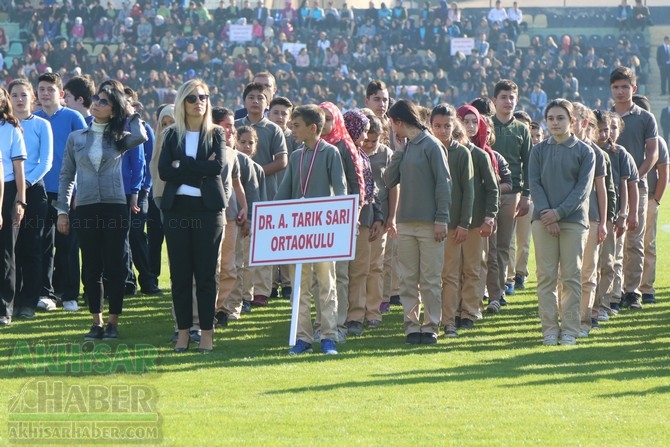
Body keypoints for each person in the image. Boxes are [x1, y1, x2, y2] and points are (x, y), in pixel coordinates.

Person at [56, 85, 148, 340]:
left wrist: (131, 111)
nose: (96, 103)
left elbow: (141, 136)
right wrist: (63, 210)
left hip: (115, 206)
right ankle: (96, 322)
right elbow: (66, 175)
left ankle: (113, 322)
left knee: (115, 265)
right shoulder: (77, 138)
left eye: (104, 102)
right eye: (96, 99)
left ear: (113, 110)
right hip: (85, 206)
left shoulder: (119, 136)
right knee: (91, 265)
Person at [159, 79, 227, 353]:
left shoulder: (217, 133)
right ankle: (184, 333)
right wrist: (199, 167)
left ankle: (207, 334)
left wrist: (183, 164)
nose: (199, 102)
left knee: (207, 275)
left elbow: (217, 168)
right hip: (177, 209)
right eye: (192, 98)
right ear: (182, 102)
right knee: (180, 275)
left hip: (207, 211)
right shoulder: (171, 134)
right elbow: (165, 171)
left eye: (204, 97)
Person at [275, 104, 346, 355]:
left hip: (323, 231)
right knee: (300, 287)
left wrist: (343, 221)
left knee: (326, 285)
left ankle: (328, 336)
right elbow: (284, 192)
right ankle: (302, 338)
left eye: (296, 126)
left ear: (312, 128)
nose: (291, 130)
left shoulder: (330, 153)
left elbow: (340, 190)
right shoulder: (296, 156)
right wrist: (268, 217)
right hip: (299, 233)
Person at [384, 99, 451, 345]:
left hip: (430, 223)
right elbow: (389, 180)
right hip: (405, 223)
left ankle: (431, 325)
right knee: (408, 279)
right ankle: (412, 326)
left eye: (392, 124)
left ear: (399, 121)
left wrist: (441, 219)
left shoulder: (432, 145)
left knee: (431, 279)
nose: (392, 129)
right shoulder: (407, 146)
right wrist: (398, 151)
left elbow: (444, 185)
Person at [529, 99, 595, 346]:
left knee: (571, 277)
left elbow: (582, 190)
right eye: (551, 118)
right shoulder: (537, 151)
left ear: (572, 121)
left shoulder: (585, 152)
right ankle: (549, 330)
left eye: (560, 118)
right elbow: (534, 183)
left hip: (574, 221)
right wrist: (547, 213)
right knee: (545, 277)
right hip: (542, 221)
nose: (555, 123)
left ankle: (569, 329)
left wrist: (558, 213)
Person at [35, 72, 87, 313]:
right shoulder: (33, 119)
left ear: (61, 94)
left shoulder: (74, 117)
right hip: (39, 192)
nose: (45, 93)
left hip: (68, 192)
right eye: (42, 89)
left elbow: (86, 157)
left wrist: (78, 190)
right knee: (43, 244)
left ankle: (69, 295)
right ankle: (46, 294)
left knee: (68, 245)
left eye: (50, 89)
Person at [235, 81, 288, 306]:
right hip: (239, 195)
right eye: (251, 97)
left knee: (263, 246)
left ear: (266, 103)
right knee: (241, 247)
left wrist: (254, 173)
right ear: (244, 101)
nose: (256, 101)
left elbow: (282, 161)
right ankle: (240, 291)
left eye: (260, 98)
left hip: (268, 194)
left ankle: (262, 292)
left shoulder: (273, 129)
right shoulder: (236, 127)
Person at [610, 66, 658, 310]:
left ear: (634, 89)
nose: (620, 91)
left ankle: (633, 291)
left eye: (625, 87)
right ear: (611, 89)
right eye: (616, 87)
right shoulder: (605, 117)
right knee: (612, 242)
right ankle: (613, 292)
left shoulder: (645, 118)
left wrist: (634, 177)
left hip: (637, 187)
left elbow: (652, 153)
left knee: (635, 240)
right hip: (609, 189)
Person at [451, 104, 499, 336]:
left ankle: (469, 311)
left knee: (472, 268)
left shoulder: (480, 155)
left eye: (474, 122)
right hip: (451, 221)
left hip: (476, 222)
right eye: (465, 121)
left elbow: (493, 189)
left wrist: (489, 216)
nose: (470, 126)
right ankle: (452, 310)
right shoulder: (446, 152)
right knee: (451, 270)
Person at [8, 79, 53, 320]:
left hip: (34, 191)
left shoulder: (42, 125)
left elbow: (46, 162)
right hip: (7, 191)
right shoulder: (5, 126)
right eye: (14, 95)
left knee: (32, 247)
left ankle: (28, 301)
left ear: (32, 98)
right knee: (9, 248)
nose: (19, 99)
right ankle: (10, 299)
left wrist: (23, 185)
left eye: (23, 94)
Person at [430, 104, 474, 336]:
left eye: (447, 126)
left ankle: (448, 321)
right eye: (437, 126)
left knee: (450, 275)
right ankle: (430, 321)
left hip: (454, 224)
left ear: (454, 125)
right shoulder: (426, 149)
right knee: (428, 277)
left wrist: (464, 223)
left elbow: (469, 191)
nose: (442, 131)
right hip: (429, 224)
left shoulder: (461, 153)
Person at [489, 80, 531, 306]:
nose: (508, 101)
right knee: (487, 245)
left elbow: (528, 165)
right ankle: (486, 290)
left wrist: (526, 195)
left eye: (512, 97)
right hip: (487, 194)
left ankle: (500, 290)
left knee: (504, 244)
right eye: (503, 97)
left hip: (511, 194)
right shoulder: (487, 126)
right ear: (494, 100)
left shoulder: (522, 129)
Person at [342, 109, 383, 335]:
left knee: (359, 270)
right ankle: (338, 314)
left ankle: (356, 317)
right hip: (340, 220)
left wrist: (378, 216)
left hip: (364, 220)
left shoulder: (363, 156)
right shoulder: (339, 151)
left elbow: (371, 190)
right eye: (363, 132)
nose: (366, 137)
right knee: (340, 272)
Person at [632, 95, 668, 305]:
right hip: (628, 196)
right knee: (628, 245)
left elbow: (663, 172)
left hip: (648, 197)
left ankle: (647, 288)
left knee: (648, 244)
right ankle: (629, 287)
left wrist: (657, 200)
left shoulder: (657, 142)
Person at [0, 87, 27, 326]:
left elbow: (19, 169)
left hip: (8, 192)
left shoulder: (11, 129)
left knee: (6, 252)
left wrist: (20, 200)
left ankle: (4, 308)